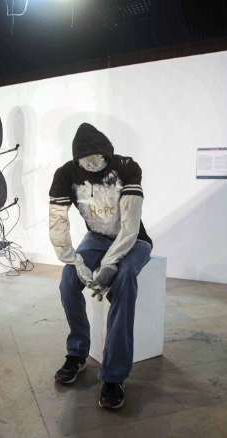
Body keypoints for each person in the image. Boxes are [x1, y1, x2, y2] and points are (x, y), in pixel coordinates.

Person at [49, 123, 153, 409]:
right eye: (86, 160)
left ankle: (115, 374)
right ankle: (77, 353)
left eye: (98, 158)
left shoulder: (126, 167)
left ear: (108, 153)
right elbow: (57, 224)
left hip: (134, 240)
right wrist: (75, 262)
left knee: (124, 278)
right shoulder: (65, 174)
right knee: (68, 281)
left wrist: (109, 265)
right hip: (96, 237)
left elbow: (130, 226)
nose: (93, 165)